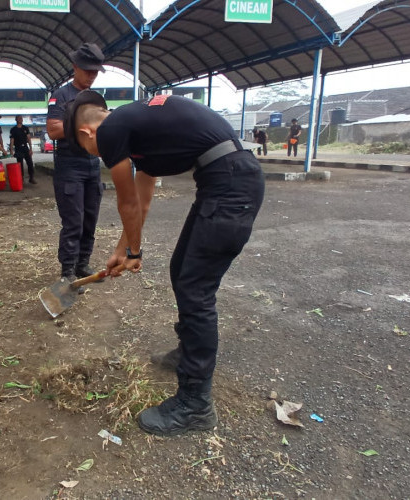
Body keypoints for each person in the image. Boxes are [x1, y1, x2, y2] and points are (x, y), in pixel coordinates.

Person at [64, 90, 265, 437]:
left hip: (230, 185)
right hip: (228, 180)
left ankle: (195, 404)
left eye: (88, 152)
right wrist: (122, 249)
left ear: (86, 134)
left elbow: (126, 203)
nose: (96, 156)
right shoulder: (136, 129)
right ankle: (187, 354)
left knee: (195, 289)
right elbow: (141, 202)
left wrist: (136, 254)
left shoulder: (110, 130)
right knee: (181, 271)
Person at [46, 42, 106, 282]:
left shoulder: (95, 99)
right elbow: (53, 129)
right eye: (88, 70)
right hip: (70, 165)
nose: (92, 76)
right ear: (75, 67)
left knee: (90, 219)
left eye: (95, 72)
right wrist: (84, 126)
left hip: (92, 164)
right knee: (74, 222)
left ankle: (83, 264)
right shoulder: (61, 96)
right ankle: (67, 272)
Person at [9, 115, 36, 184]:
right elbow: (12, 140)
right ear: (16, 120)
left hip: (25, 147)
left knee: (30, 162)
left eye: (21, 118)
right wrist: (11, 150)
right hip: (18, 148)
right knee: (20, 164)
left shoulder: (25, 128)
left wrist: (31, 148)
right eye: (19, 118)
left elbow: (29, 138)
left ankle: (31, 177)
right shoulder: (13, 129)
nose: (21, 119)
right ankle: (21, 178)